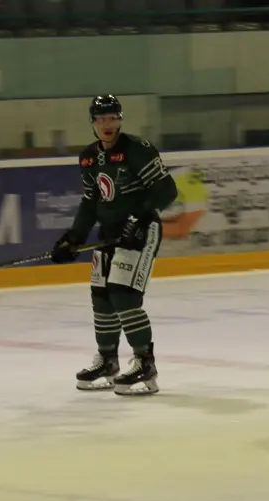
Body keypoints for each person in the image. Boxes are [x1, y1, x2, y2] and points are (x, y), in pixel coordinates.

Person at [49, 94, 178, 396]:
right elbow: (91, 201)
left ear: (120, 120)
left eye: (112, 118)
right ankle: (108, 361)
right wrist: (73, 238)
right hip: (110, 234)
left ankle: (145, 363)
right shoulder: (89, 158)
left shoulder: (138, 150)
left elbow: (167, 191)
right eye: (101, 119)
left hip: (141, 231)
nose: (107, 124)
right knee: (101, 295)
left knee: (123, 294)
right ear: (92, 123)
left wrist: (137, 217)